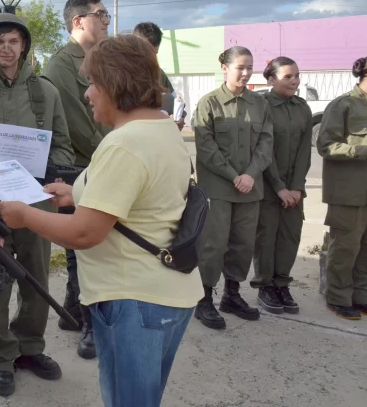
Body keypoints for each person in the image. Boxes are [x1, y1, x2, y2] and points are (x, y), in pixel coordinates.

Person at [0, 34, 203, 407]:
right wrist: (75, 194)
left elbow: (85, 232)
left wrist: (25, 215)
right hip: (166, 294)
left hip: (135, 301)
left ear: (115, 85)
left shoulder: (124, 144)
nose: (87, 94)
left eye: (93, 83)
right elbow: (141, 198)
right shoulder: (162, 129)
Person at [0, 13, 74, 396]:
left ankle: (30, 348)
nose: (6, 49)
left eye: (13, 41)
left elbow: (61, 142)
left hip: (38, 202)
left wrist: (53, 177)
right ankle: (1, 357)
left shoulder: (46, 92)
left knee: (36, 278)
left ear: (24, 46)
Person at [42, 0, 111, 359]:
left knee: (87, 249)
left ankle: (72, 312)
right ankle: (88, 324)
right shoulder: (60, 67)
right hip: (78, 167)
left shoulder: (99, 59)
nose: (106, 21)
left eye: (107, 15)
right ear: (78, 22)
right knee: (82, 250)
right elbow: (79, 127)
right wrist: (120, 144)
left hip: (99, 163)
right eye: (100, 15)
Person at [192, 46, 273, 330]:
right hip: (218, 188)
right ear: (224, 68)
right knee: (213, 245)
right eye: (240, 67)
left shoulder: (260, 104)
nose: (246, 72)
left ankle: (232, 295)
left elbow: (266, 142)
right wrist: (233, 175)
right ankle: (203, 300)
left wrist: (250, 175)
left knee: (243, 244)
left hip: (249, 188)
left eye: (250, 67)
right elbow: (206, 147)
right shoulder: (209, 103)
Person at [251, 57, 312, 315]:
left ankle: (282, 284)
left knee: (289, 236)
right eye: (288, 76)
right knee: (266, 237)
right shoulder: (261, 106)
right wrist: (279, 187)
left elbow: (304, 151)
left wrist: (296, 187)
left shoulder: (302, 107)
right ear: (271, 79)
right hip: (267, 186)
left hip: (293, 188)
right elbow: (264, 151)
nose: (295, 81)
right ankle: (265, 285)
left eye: (297, 75)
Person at [316, 56, 367, 321]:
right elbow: (325, 145)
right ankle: (338, 297)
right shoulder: (343, 104)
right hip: (348, 193)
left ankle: (361, 296)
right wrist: (361, 150)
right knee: (345, 247)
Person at [132, 21, 186, 131]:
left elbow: (176, 103)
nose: (149, 59)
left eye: (154, 54)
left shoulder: (159, 74)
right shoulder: (117, 72)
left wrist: (178, 118)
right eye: (145, 53)